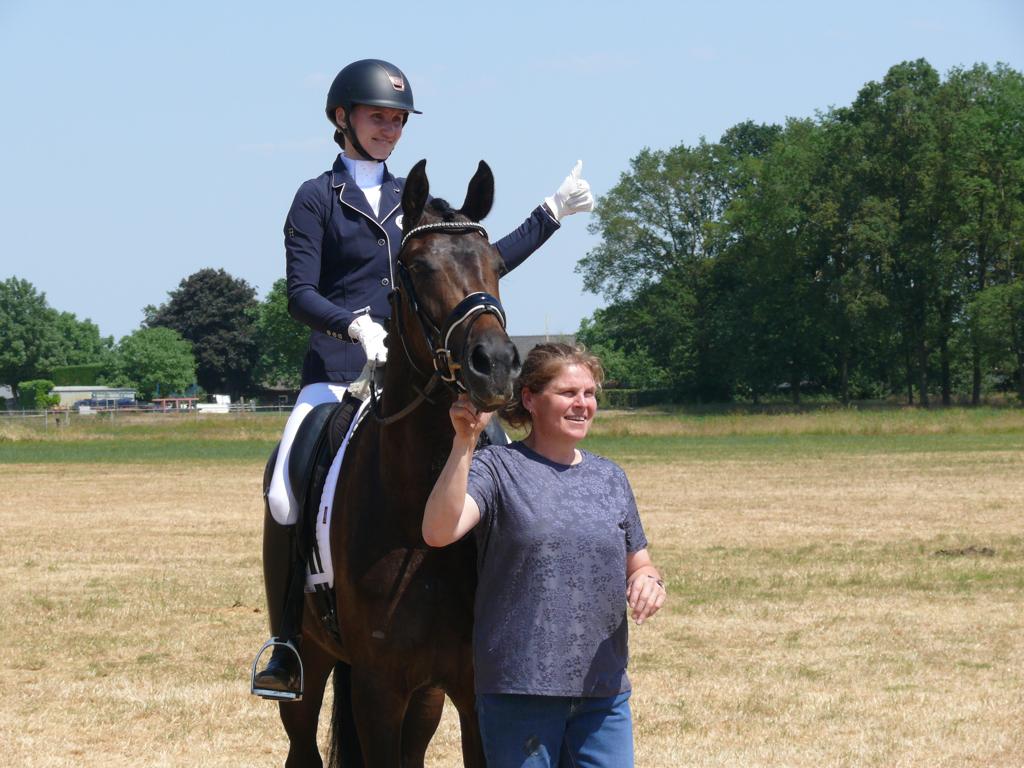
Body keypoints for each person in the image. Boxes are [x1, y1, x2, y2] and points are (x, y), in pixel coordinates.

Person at [253, 59, 595, 697]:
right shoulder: (316, 198)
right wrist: (350, 326)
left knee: (498, 465)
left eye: (397, 119)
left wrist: (549, 214)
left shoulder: (422, 202)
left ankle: (503, 619)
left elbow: (477, 262)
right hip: (337, 372)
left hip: (421, 374)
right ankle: (286, 645)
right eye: (377, 116)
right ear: (342, 119)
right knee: (283, 489)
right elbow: (299, 292)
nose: (388, 128)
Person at [423, 343, 666, 767]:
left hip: (603, 691)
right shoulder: (498, 467)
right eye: (568, 392)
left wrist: (648, 579)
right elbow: (439, 531)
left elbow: (639, 561)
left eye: (589, 393)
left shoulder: (610, 477)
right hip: (519, 690)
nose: (583, 404)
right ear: (531, 399)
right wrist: (465, 444)